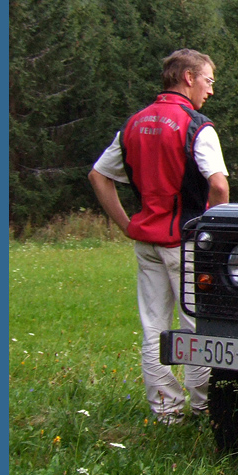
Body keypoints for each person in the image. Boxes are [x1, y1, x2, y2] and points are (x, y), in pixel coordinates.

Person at [88, 49, 230, 423]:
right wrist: (210, 231)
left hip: (147, 241)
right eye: (208, 81)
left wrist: (125, 224)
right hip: (186, 242)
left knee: (153, 326)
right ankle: (203, 404)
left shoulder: (133, 124)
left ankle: (166, 411)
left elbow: (98, 176)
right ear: (188, 77)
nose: (210, 90)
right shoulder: (197, 125)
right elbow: (218, 184)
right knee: (197, 325)